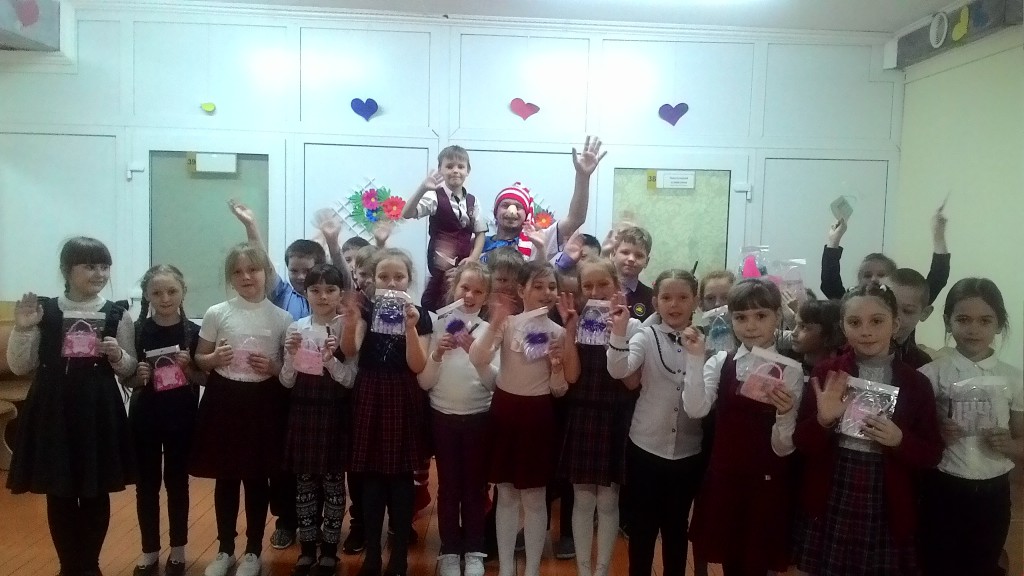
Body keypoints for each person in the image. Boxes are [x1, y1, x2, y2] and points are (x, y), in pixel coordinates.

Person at [6, 236, 137, 576]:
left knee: (96, 491)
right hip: (52, 409)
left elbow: (129, 371)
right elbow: (20, 366)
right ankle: (68, 567)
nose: (100, 274)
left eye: (104, 266)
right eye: (90, 266)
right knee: (59, 491)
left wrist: (118, 355)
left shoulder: (117, 313)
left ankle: (90, 566)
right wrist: (23, 329)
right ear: (66, 270)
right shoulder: (44, 310)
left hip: (98, 409)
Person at [793, 282, 944, 576]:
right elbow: (803, 442)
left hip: (887, 496)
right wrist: (823, 421)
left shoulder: (916, 383)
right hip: (833, 488)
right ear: (843, 327)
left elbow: (932, 453)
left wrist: (900, 441)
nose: (866, 331)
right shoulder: (827, 373)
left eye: (877, 321)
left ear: (895, 324)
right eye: (854, 322)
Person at [683, 278, 803, 576]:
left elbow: (784, 447)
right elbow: (696, 409)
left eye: (761, 315)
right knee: (730, 562)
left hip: (766, 483)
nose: (750, 326)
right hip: (726, 478)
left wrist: (785, 413)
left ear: (777, 315)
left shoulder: (790, 370)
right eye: (741, 317)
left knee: (757, 565)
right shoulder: (721, 362)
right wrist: (695, 359)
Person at [191, 243, 293, 576]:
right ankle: (224, 549)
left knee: (256, 479)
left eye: (253, 269)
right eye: (237, 271)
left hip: (263, 402)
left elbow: (288, 370)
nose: (246, 276)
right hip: (224, 399)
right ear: (230, 277)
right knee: (226, 478)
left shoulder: (282, 317)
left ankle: (253, 551)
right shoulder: (217, 312)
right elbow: (199, 358)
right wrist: (213, 359)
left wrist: (273, 367)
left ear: (267, 273)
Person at [918, 278, 1023, 576]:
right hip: (944, 486)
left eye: (985, 320)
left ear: (999, 324)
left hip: (994, 490)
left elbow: (1021, 442)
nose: (973, 329)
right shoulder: (930, 374)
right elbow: (916, 436)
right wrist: (939, 432)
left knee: (983, 561)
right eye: (963, 319)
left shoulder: (1014, 379)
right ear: (948, 322)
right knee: (939, 562)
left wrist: (1009, 444)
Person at [469, 261, 568, 576]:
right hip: (505, 413)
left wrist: (556, 367)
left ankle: (533, 569)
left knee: (536, 497)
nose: (546, 292)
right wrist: (495, 322)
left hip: (538, 417)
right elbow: (478, 357)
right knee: (507, 494)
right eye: (538, 286)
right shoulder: (508, 324)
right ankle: (507, 568)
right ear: (522, 290)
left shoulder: (559, 333)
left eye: (551, 286)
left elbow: (559, 389)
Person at [607, 269, 707, 576]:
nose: (674, 305)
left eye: (683, 297)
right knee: (643, 526)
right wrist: (619, 332)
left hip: (689, 451)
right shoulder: (646, 335)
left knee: (677, 526)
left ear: (695, 301)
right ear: (655, 302)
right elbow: (619, 369)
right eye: (666, 297)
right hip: (645, 447)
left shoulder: (706, 341)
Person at [340, 248, 433, 576]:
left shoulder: (421, 314)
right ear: (373, 280)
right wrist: (351, 322)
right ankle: (372, 554)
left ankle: (399, 555)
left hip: (403, 394)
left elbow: (418, 365)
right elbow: (350, 351)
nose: (391, 283)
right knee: (371, 476)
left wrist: (410, 328)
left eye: (398, 277)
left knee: (401, 476)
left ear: (409, 279)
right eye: (383, 277)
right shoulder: (365, 309)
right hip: (369, 391)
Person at [420, 261, 497, 576]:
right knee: (449, 487)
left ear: (486, 296)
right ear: (455, 288)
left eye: (478, 291)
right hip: (442, 417)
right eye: (465, 288)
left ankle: (475, 550)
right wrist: (437, 354)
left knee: (475, 488)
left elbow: (494, 384)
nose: (470, 295)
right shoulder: (438, 324)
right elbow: (425, 381)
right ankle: (450, 549)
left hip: (479, 418)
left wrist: (477, 356)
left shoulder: (490, 330)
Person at [280, 264, 357, 576]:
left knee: (334, 484)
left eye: (330, 290)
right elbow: (286, 381)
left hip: (334, 412)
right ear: (305, 293)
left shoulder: (346, 327)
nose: (323, 296)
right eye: (315, 290)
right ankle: (307, 549)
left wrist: (330, 362)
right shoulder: (296, 327)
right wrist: (291, 355)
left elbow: (350, 380)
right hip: (303, 411)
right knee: (304, 484)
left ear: (340, 293)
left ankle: (329, 551)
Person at [127, 265, 203, 576]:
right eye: (157, 292)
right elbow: (127, 377)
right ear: (146, 295)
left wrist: (189, 370)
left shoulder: (194, 332)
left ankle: (178, 551)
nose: (165, 298)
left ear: (183, 292)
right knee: (146, 485)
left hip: (182, 417)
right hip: (145, 417)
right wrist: (138, 376)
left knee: (177, 483)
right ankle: (149, 551)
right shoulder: (137, 330)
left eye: (172, 291)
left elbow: (205, 377)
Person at [480, 137, 606, 263]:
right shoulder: (479, 244)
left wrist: (582, 177)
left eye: (518, 207)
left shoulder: (537, 240)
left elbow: (575, 219)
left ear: (527, 214)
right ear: (496, 212)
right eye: (505, 205)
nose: (511, 211)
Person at [402, 145, 489, 312]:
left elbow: (480, 233)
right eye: (449, 166)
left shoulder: (473, 201)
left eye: (460, 166)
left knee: (460, 297)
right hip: (440, 261)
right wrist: (422, 188)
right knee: (434, 299)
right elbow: (407, 213)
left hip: (464, 261)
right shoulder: (434, 196)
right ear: (441, 170)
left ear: (468, 171)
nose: (455, 171)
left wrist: (473, 258)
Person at [819, 203, 950, 303]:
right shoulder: (851, 304)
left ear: (895, 279)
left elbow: (938, 278)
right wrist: (834, 240)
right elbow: (829, 283)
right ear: (859, 280)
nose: (874, 279)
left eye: (882, 275)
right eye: (867, 275)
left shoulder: (903, 305)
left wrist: (938, 236)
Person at [610, 226, 654, 322]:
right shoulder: (599, 289)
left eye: (639, 255)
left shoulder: (651, 297)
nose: (631, 259)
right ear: (613, 254)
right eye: (625, 252)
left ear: (646, 262)